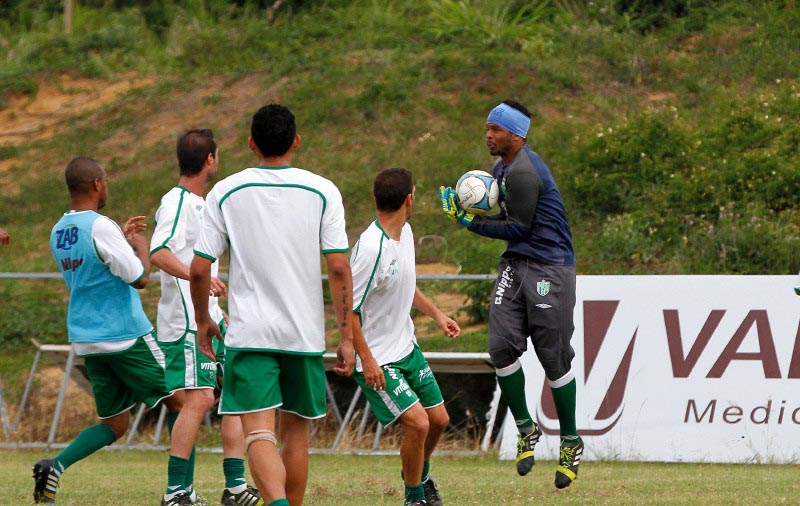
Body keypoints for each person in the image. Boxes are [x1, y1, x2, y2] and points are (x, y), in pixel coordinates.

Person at [189, 104, 356, 506]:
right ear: (296, 141)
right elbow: (338, 269)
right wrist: (346, 335)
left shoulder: (226, 190)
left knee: (259, 433)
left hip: (251, 333)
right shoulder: (323, 190)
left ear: (251, 144)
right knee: (296, 435)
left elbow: (198, 270)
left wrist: (202, 320)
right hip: (304, 334)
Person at [439, 100, 583, 489]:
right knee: (501, 349)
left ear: (516, 135)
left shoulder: (523, 172)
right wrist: (477, 213)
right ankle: (526, 428)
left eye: (496, 129)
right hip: (516, 266)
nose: (488, 134)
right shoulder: (501, 167)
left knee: (553, 359)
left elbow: (518, 227)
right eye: (487, 127)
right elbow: (511, 225)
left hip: (550, 269)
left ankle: (570, 441)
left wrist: (470, 222)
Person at [34, 157, 173, 503]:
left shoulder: (58, 231)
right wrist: (142, 249)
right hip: (124, 333)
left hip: (87, 338)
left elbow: (97, 265)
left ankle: (56, 466)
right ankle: (180, 491)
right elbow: (139, 277)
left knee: (115, 424)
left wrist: (120, 242)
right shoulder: (100, 225)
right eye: (106, 180)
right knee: (185, 401)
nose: (106, 185)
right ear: (97, 184)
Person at [150, 129, 259, 506]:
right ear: (210, 159)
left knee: (236, 393)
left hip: (209, 315)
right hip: (185, 320)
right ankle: (176, 491)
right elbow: (159, 253)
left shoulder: (203, 203)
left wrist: (215, 309)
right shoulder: (177, 201)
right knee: (199, 399)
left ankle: (234, 486)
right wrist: (198, 277)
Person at [350, 168, 460, 506]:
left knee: (439, 420)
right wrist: (366, 360)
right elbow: (349, 311)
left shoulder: (405, 233)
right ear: (409, 198)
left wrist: (438, 315)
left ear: (376, 198)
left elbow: (405, 285)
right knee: (418, 424)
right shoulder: (370, 249)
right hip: (378, 358)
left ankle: (417, 475)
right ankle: (414, 498)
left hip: (406, 347)